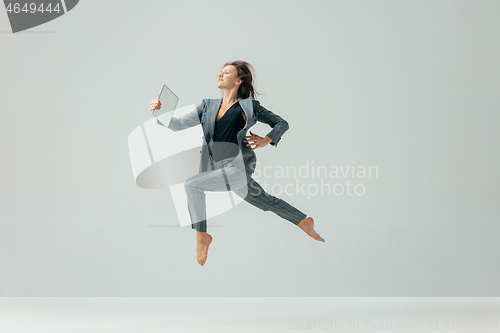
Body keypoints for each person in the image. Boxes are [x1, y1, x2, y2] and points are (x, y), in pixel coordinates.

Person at [150, 60, 324, 266]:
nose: (220, 75)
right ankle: (303, 221)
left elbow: (281, 123)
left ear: (238, 80)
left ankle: (202, 236)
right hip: (218, 169)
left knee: (192, 184)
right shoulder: (207, 106)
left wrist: (268, 139)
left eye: (226, 72)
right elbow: (178, 125)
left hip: (237, 167)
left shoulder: (250, 107)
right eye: (220, 72)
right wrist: (161, 112)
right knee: (266, 201)